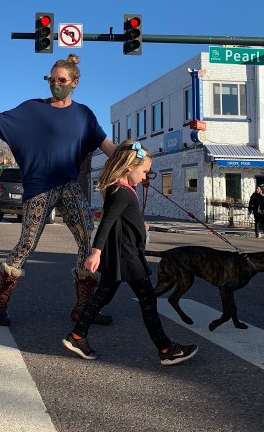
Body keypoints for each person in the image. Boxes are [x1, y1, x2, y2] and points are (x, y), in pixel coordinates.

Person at [0, 54, 116, 327]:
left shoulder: (84, 115)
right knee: (27, 245)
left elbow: (107, 147)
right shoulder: (32, 109)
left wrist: (131, 163)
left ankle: (83, 310)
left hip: (68, 185)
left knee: (87, 243)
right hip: (39, 189)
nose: (55, 84)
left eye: (61, 80)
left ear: (75, 82)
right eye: (51, 79)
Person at [62, 140, 198, 365]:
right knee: (148, 302)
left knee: (102, 297)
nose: (145, 177)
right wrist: (95, 252)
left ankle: (76, 336)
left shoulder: (123, 190)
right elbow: (106, 223)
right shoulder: (121, 192)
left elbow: (120, 222)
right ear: (129, 168)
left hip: (121, 256)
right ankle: (165, 349)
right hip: (127, 258)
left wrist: (137, 228)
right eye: (144, 171)